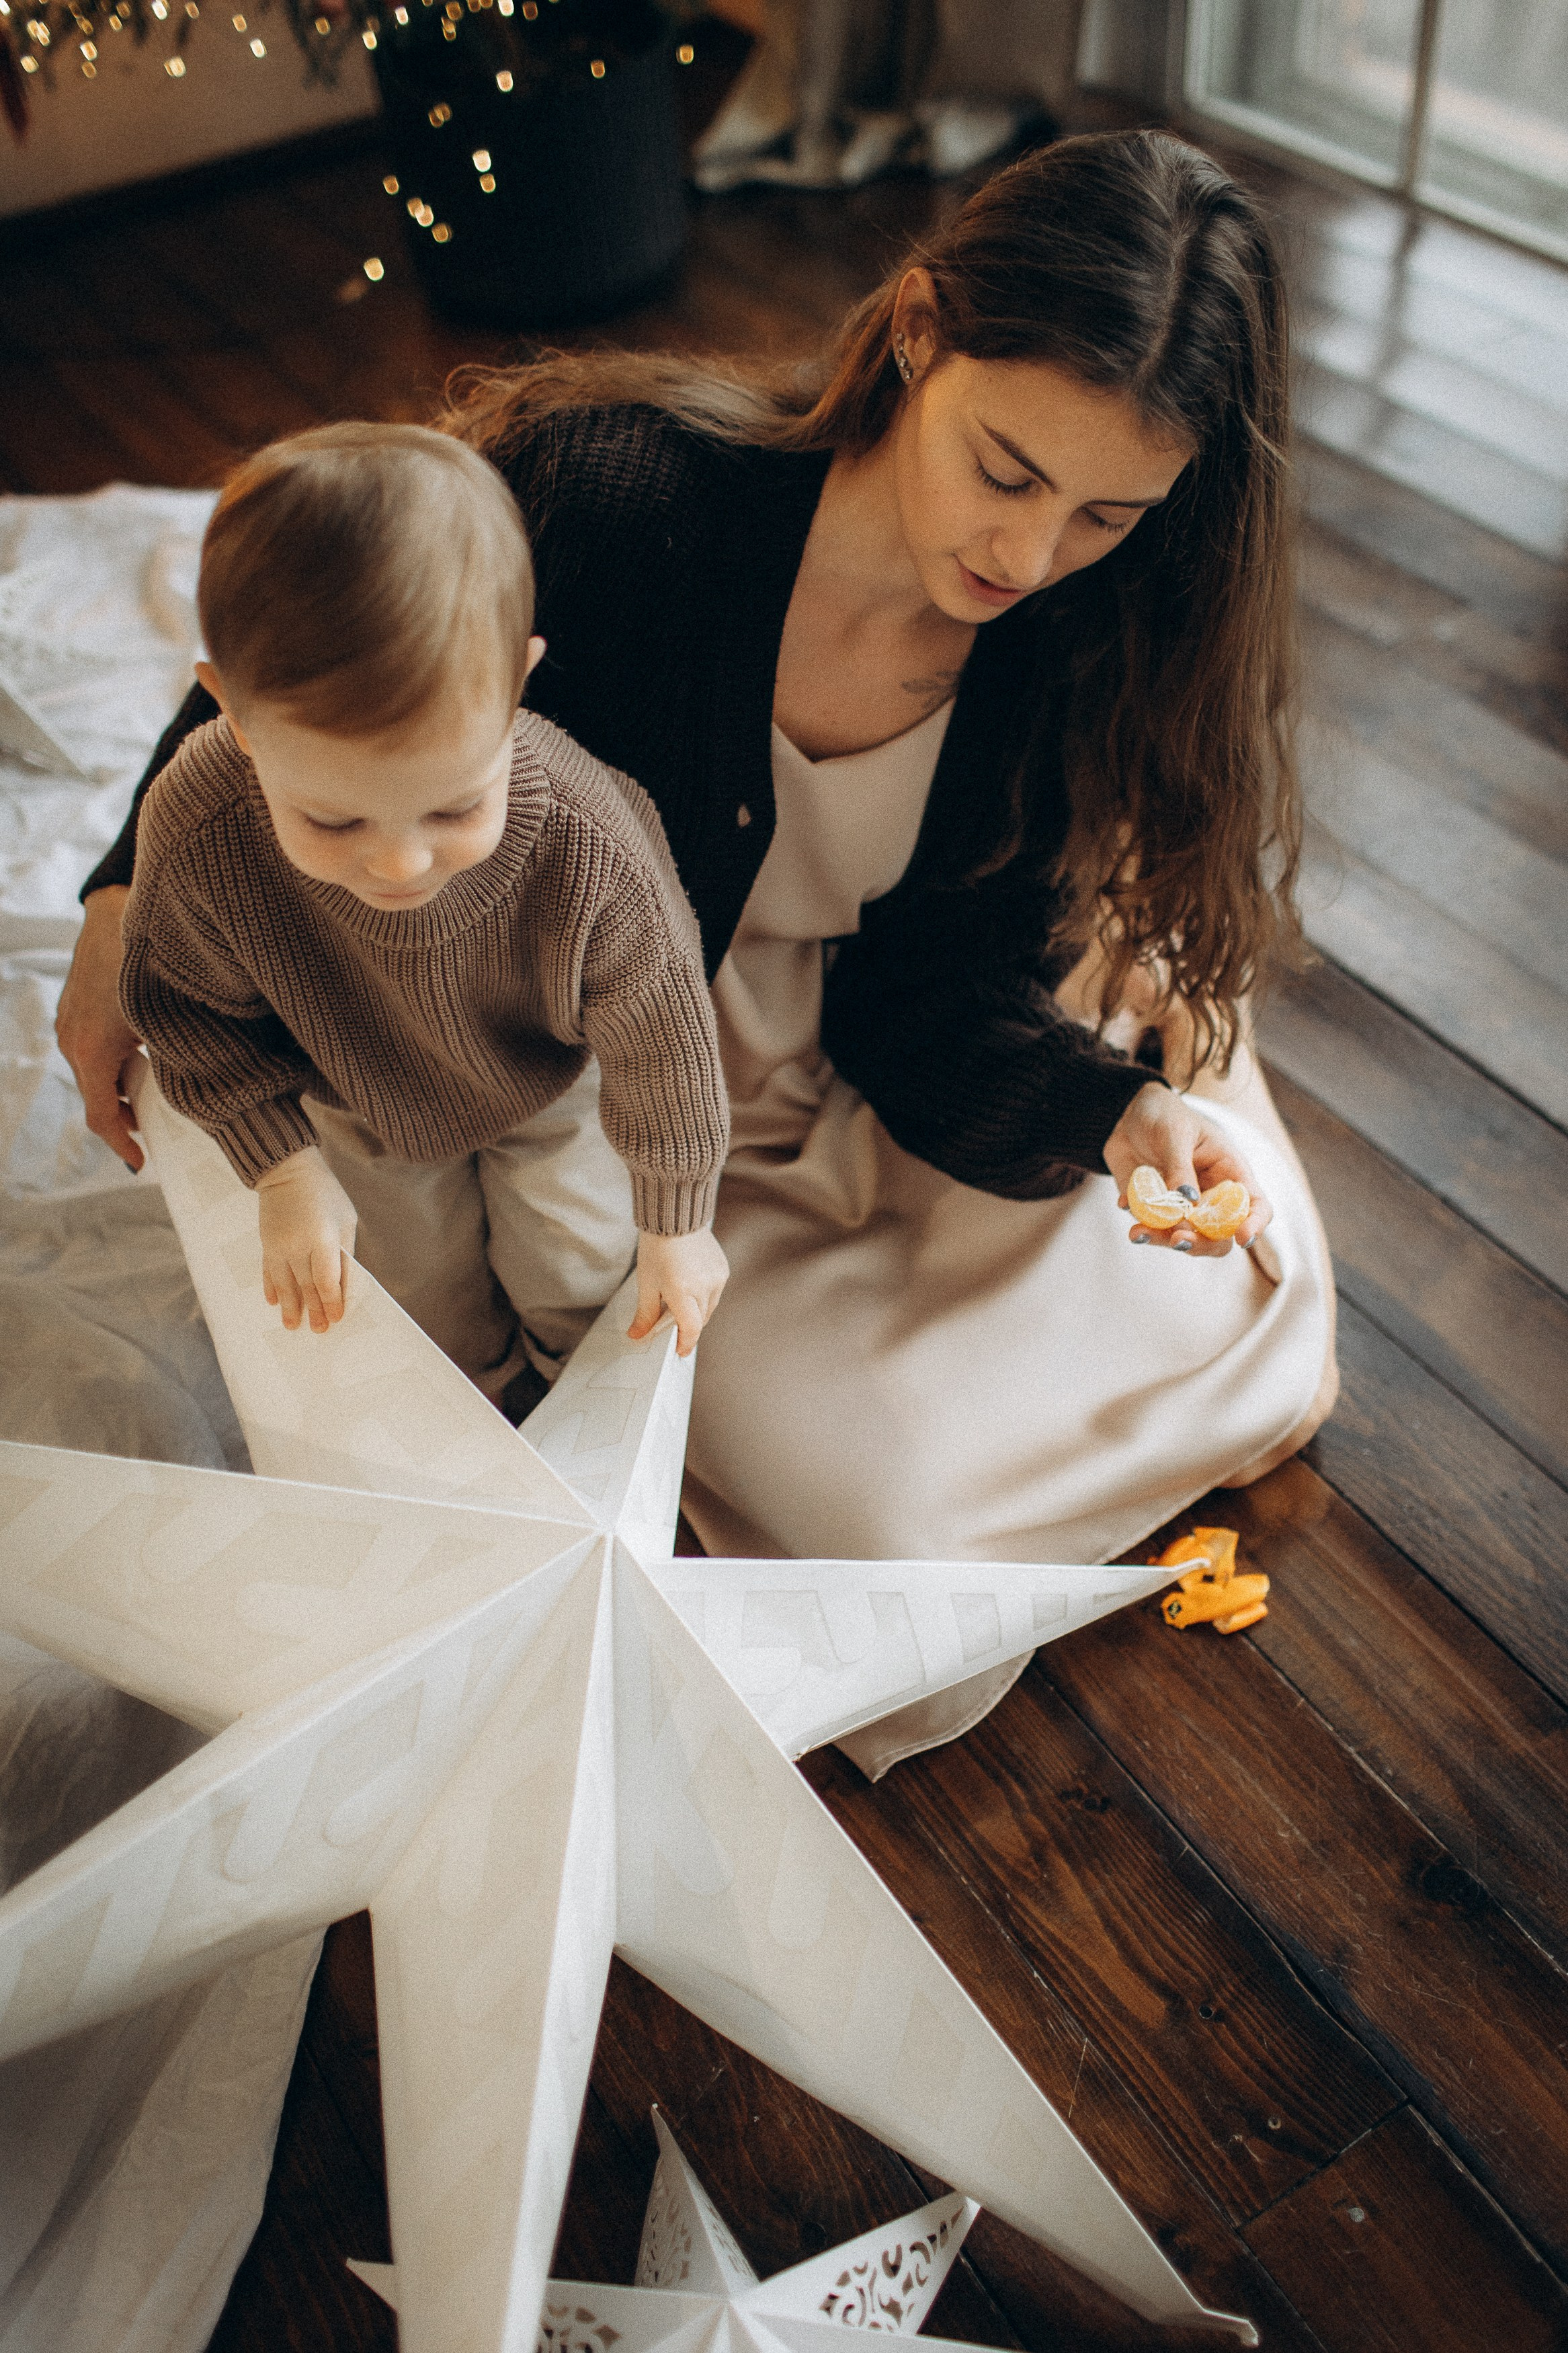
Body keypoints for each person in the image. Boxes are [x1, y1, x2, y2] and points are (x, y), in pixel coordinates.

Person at [61, 130, 1336, 1773]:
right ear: (921, 331)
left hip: (836, 1076)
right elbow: (312, 663)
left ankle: (1131, 1109)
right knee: (848, 1518)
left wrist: (1112, 1115)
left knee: (1185, 1299)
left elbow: (940, 1002)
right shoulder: (618, 493)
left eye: (1105, 513)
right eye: (1007, 470)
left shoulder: (1068, 645)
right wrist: (116, 901)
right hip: (569, 1064)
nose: (1027, 559)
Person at [114, 423, 730, 1398]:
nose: (400, 862)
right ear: (231, 712)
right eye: (333, 818)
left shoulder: (586, 836)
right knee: (417, 1305)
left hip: (550, 1080)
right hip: (353, 1094)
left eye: (454, 808)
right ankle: (487, 1406)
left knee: (583, 1274)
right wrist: (284, 1170)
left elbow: (663, 1028)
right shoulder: (199, 832)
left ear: (517, 684)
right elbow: (186, 1017)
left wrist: (678, 1221)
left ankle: (576, 1410)